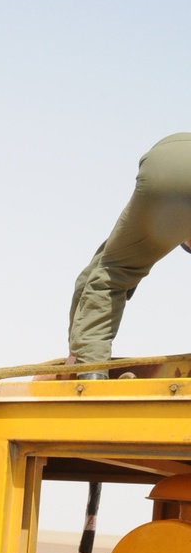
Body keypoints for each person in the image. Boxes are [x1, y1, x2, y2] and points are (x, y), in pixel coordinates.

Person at [68, 133, 191, 375]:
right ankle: (89, 367)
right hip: (174, 166)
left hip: (170, 161)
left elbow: (97, 275)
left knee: (113, 271)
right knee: (113, 270)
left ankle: (91, 373)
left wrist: (82, 353)